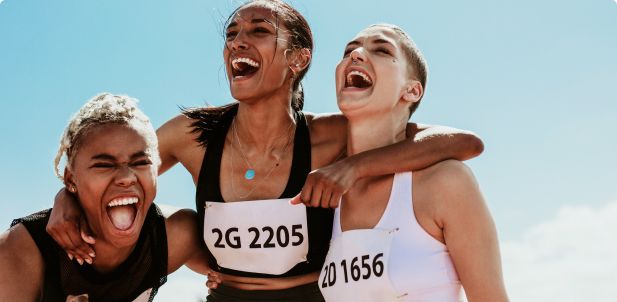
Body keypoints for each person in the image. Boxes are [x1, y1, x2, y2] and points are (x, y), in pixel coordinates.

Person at [46, 1, 484, 300]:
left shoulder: (331, 135)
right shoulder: (191, 134)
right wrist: (64, 198)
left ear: (298, 59)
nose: (238, 41)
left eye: (259, 31)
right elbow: (119, 177)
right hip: (225, 299)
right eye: (232, 33)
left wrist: (351, 168)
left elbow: (461, 142)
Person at [318, 24, 509, 301]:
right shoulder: (322, 193)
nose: (355, 55)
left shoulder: (445, 182)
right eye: (348, 50)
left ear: (412, 91)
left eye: (382, 50)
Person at [0, 93, 208, 301]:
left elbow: (234, 273)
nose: (127, 178)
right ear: (70, 179)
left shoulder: (176, 235)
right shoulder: (17, 252)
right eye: (104, 165)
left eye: (141, 162)